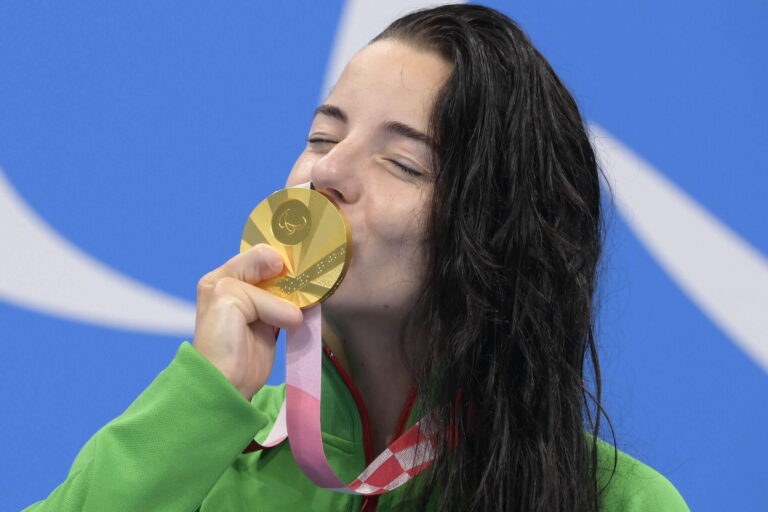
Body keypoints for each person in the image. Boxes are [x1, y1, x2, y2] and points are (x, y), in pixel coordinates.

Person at [24, 4, 690, 511]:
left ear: (494, 235)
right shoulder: (207, 452)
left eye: (402, 162)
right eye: (322, 137)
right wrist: (203, 396)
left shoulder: (616, 500)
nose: (327, 171)